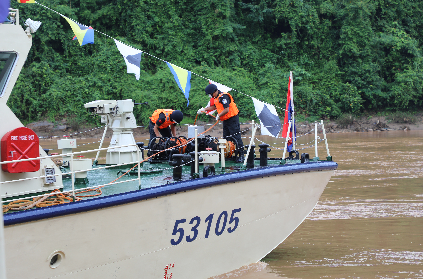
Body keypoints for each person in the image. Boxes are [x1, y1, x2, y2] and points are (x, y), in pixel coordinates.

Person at [197, 84, 244, 162]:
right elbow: (215, 107)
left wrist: (218, 115)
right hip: (225, 120)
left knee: (236, 137)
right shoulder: (216, 98)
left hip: (232, 119)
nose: (210, 96)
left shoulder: (224, 97)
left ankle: (241, 155)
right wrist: (204, 109)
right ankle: (228, 154)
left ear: (215, 91)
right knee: (226, 137)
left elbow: (226, 109)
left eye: (211, 94)